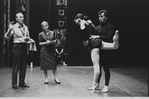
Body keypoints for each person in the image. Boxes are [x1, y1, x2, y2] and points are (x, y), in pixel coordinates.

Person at [74, 13, 119, 92]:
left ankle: (95, 84)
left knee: (97, 66)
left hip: (94, 45)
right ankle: (115, 41)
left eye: (76, 22)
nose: (76, 24)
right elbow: (93, 32)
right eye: (99, 16)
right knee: (114, 46)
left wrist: (81, 22)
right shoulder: (92, 25)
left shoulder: (83, 23)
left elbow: (83, 30)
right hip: (99, 43)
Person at [5, 12, 30, 89]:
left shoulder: (25, 27)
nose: (22, 18)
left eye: (22, 17)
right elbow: (7, 37)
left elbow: (28, 36)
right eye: (20, 17)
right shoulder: (14, 27)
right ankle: (14, 83)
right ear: (16, 19)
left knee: (23, 65)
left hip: (24, 46)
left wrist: (28, 39)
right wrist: (9, 29)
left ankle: (22, 82)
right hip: (17, 47)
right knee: (16, 65)